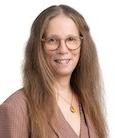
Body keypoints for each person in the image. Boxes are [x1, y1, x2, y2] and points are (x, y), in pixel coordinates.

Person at [0, 4, 107, 138]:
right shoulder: (15, 108)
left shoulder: (88, 102)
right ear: (38, 47)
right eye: (52, 40)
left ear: (82, 44)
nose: (63, 49)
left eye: (71, 39)